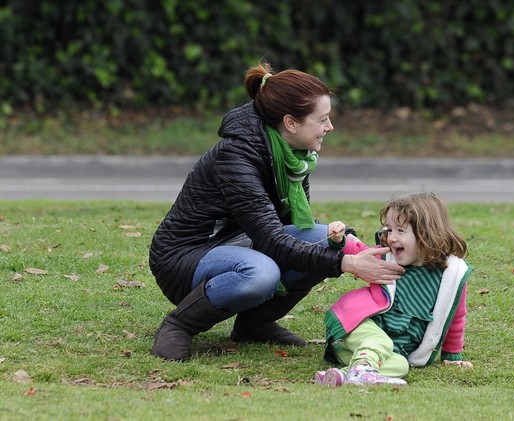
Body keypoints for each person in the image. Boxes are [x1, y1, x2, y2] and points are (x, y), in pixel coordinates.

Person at [148, 62, 405, 362]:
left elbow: (291, 228)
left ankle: (254, 324)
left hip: (241, 242)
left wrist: (348, 248)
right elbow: (272, 240)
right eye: (322, 119)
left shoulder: (292, 154)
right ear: (291, 122)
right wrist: (345, 263)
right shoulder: (237, 156)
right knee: (262, 273)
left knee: (328, 239)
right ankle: (179, 324)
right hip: (185, 257)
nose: (330, 127)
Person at [315, 191, 474, 387]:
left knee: (400, 366)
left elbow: (455, 316)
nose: (391, 238)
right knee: (380, 342)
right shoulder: (386, 258)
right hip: (358, 329)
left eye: (400, 230)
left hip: (380, 351)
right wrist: (340, 240)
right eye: (389, 230)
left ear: (425, 234)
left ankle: (345, 375)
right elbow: (359, 252)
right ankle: (362, 370)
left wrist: (452, 354)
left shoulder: (452, 275)